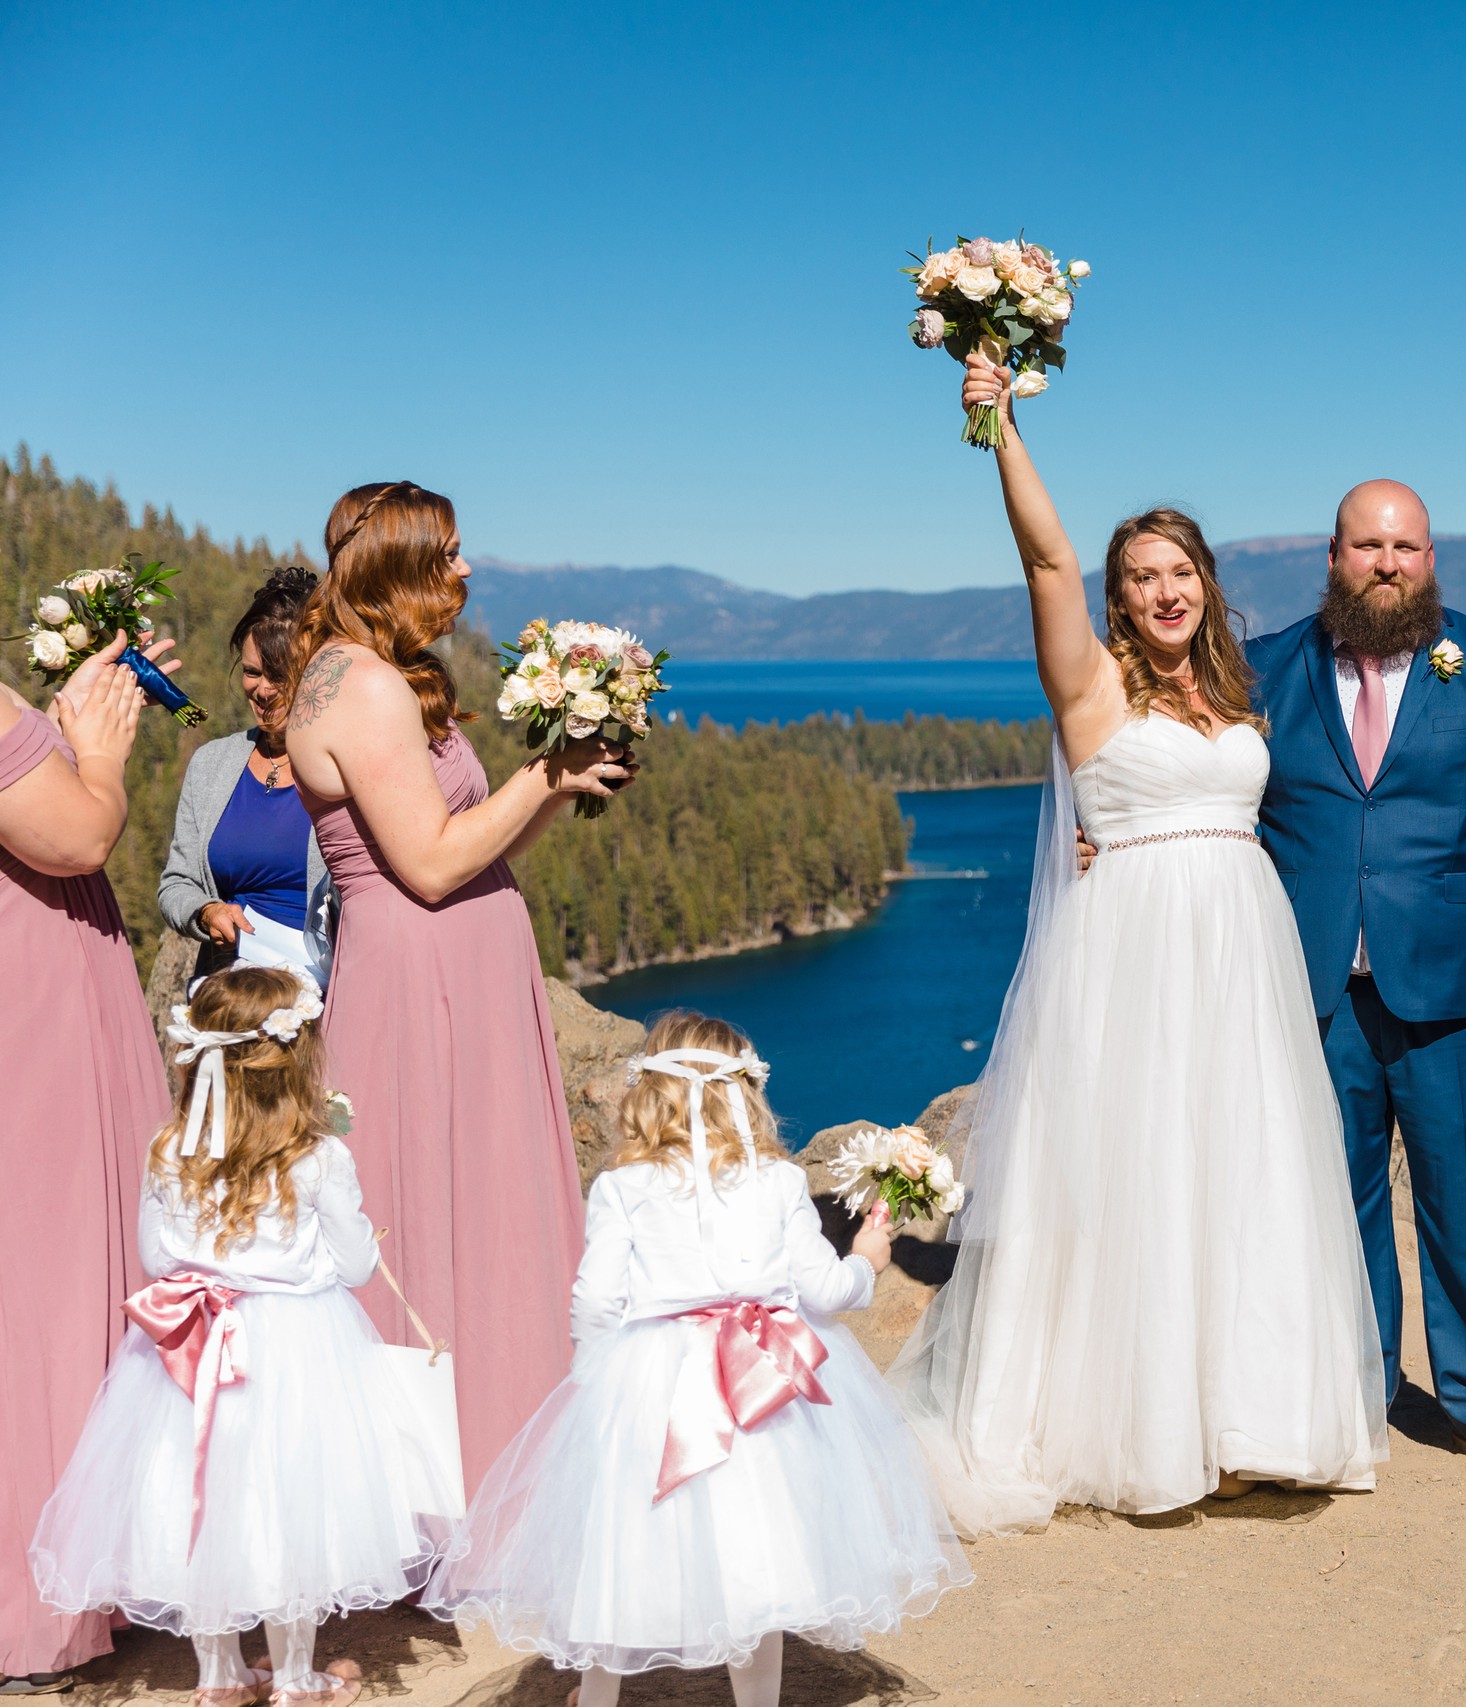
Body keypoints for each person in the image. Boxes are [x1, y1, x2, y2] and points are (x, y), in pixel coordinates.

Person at [888, 354, 1387, 1534]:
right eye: (1141, 578)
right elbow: (1045, 558)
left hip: (1241, 956)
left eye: (1180, 572)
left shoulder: (1239, 693)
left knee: (1243, 1169)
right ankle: (1139, 1427)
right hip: (1137, 958)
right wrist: (998, 424)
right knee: (1142, 1171)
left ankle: (1250, 1420)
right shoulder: (1093, 688)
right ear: (1117, 597)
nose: (1163, 592)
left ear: (1208, 584)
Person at [425, 1013, 968, 1705]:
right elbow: (827, 1292)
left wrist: (594, 1382)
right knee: (760, 1551)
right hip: (760, 1383)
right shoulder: (775, 1182)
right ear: (745, 1090)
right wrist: (866, 1258)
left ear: (649, 1089)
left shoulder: (625, 1185)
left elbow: (594, 1300)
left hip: (650, 1380)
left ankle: (598, 1695)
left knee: (625, 1544)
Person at [283, 480, 627, 1491]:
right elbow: (429, 865)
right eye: (452, 553)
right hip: (422, 975)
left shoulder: (374, 674)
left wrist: (567, 782)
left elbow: (475, 845)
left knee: (479, 1202)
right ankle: (443, 1484)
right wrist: (544, 772)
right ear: (399, 563)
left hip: (459, 964)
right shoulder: (362, 686)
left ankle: (495, 1454)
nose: (469, 570)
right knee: (432, 1208)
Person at [1244, 479, 1466, 1477]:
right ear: (1332, 556)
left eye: (1406, 548)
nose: (1386, 564)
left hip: (1461, 990)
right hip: (1307, 988)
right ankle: (1358, 1391)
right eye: (1366, 547)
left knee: (1462, 1205)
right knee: (1333, 1207)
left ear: (1431, 559)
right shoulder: (1265, 669)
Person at [30, 966, 443, 1707]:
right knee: (294, 1499)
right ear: (294, 1059)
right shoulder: (319, 1155)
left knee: (202, 1497)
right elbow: (352, 1266)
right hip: (298, 1348)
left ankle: (219, 1675)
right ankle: (293, 1677)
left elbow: (158, 1259)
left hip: (190, 1347)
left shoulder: (168, 1150)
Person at [0, 631, 182, 1694]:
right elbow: (72, 839)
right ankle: (50, 1585)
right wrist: (101, 757)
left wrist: (71, 708)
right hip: (33, 1009)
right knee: (52, 1269)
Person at [159, 567, 336, 985]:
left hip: (329, 999)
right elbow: (177, 882)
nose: (264, 690)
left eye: (281, 675)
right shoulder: (211, 764)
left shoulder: (346, 769)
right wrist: (206, 912)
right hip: (229, 993)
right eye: (253, 672)